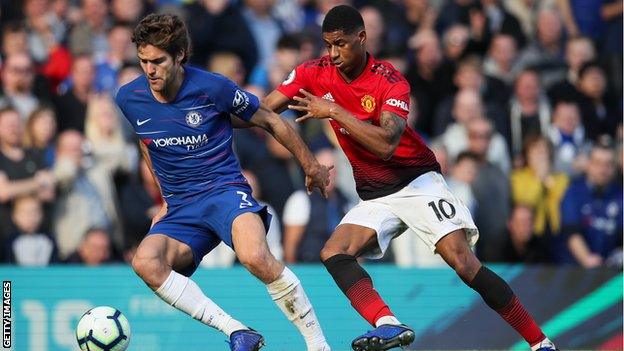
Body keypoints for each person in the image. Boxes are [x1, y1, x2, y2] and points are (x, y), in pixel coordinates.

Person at [264, 5, 557, 351]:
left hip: (417, 181)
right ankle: (387, 323)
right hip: (375, 194)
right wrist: (219, 106)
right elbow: (263, 110)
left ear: (361, 37)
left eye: (340, 44)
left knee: (463, 262)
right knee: (334, 252)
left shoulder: (390, 80)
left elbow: (387, 144)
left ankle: (540, 343)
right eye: (328, 45)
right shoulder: (314, 72)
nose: (333, 53)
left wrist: (334, 111)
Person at [115, 14, 331, 351]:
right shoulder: (129, 98)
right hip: (182, 206)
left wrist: (311, 164)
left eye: (158, 61)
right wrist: (165, 199)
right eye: (143, 61)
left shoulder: (213, 87)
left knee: (255, 257)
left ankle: (318, 345)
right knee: (145, 262)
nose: (150, 70)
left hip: (224, 192)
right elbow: (147, 143)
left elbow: (271, 120)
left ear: (179, 56)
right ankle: (237, 331)